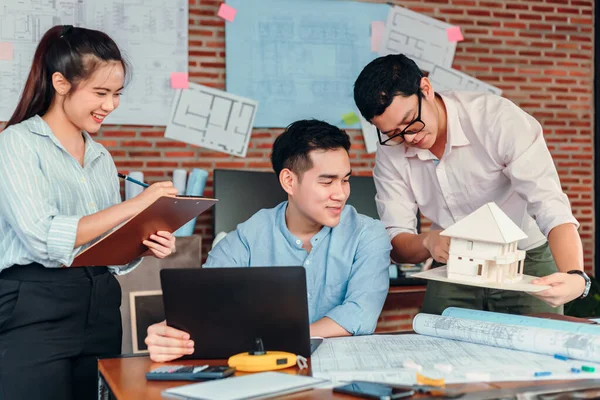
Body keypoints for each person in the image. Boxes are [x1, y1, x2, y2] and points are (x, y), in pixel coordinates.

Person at [0, 25, 178, 400]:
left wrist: (141, 243)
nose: (110, 105)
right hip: (34, 307)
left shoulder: (100, 156)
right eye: (100, 92)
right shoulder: (16, 142)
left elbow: (102, 247)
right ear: (61, 83)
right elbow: (41, 235)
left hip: (100, 305)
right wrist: (134, 206)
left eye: (116, 94)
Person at [353, 54, 589, 316]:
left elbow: (549, 204)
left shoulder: (495, 119)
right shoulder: (390, 152)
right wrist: (428, 242)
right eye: (393, 133)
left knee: (535, 346)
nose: (409, 137)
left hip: (525, 257)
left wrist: (575, 275)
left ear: (426, 89)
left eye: (410, 121)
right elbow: (396, 241)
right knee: (435, 344)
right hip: (455, 263)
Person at [145, 119, 392, 362]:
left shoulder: (368, 235)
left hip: (340, 374)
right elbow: (204, 308)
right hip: (263, 375)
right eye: (327, 181)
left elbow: (359, 314)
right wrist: (169, 336)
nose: (341, 193)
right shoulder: (247, 237)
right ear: (289, 181)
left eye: (345, 179)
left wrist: (274, 341)